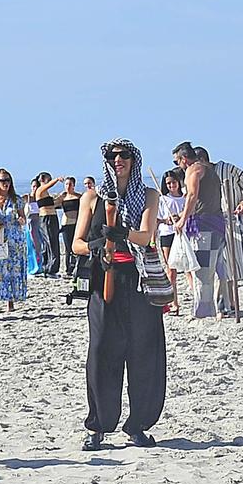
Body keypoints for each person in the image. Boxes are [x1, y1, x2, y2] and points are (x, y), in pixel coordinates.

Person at [75, 141, 165, 451]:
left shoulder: (149, 196)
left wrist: (122, 234)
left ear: (133, 160)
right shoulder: (91, 197)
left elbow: (145, 235)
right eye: (112, 157)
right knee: (101, 352)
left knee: (143, 353)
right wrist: (98, 245)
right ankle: (99, 425)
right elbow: (76, 244)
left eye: (124, 156)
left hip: (138, 283)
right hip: (104, 281)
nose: (118, 161)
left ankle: (138, 425)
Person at [174, 144, 226, 319]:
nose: (177, 165)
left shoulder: (194, 170)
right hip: (216, 224)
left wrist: (182, 220)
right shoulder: (209, 170)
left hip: (204, 226)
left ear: (184, 159)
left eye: (177, 161)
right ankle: (215, 307)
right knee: (215, 270)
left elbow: (192, 196)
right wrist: (182, 214)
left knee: (202, 272)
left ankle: (203, 311)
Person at [0, 169, 27, 311]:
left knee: (12, 269)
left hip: (14, 239)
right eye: (3, 180)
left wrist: (21, 220)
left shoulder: (17, 199)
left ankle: (10, 301)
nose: (6, 183)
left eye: (8, 180)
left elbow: (23, 218)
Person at [30, 173, 66, 275]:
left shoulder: (45, 193)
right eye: (48, 179)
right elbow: (49, 185)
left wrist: (60, 198)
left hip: (52, 217)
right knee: (50, 242)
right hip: (46, 218)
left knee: (52, 241)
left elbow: (51, 204)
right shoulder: (40, 190)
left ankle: (49, 267)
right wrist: (57, 179)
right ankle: (50, 267)